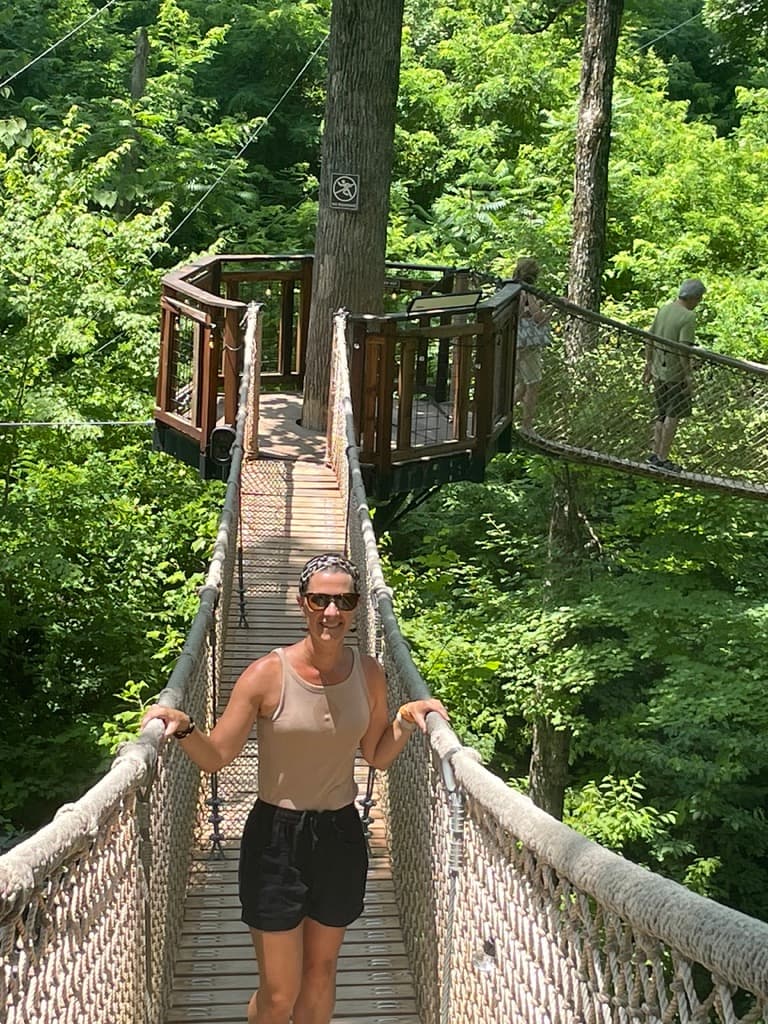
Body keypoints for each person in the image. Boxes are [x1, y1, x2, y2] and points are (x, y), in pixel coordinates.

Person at [141, 552, 449, 1024]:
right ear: (302, 603)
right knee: (279, 993)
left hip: (341, 836)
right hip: (275, 840)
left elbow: (378, 756)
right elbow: (217, 756)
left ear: (357, 606)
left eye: (344, 600)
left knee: (322, 973)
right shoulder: (266, 674)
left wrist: (407, 719)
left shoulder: (368, 673)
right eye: (320, 600)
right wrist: (184, 728)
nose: (332, 612)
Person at [643, 278, 706, 472]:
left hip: (658, 371)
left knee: (661, 413)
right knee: (673, 414)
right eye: (700, 298)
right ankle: (663, 459)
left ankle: (654, 454)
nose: (699, 302)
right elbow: (682, 350)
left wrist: (648, 364)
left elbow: (649, 338)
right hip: (674, 374)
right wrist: (688, 376)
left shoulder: (664, 309)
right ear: (694, 297)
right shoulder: (688, 317)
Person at [513, 257, 551, 431]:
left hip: (516, 342)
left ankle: (495, 416)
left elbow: (521, 313)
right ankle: (527, 426)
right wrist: (555, 307)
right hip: (528, 345)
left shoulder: (511, 289)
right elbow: (539, 319)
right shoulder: (527, 291)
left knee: (521, 385)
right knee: (533, 385)